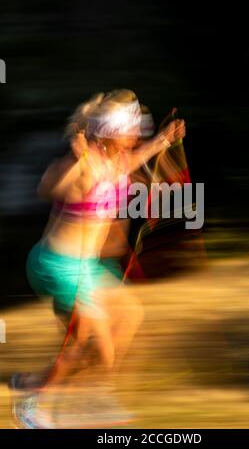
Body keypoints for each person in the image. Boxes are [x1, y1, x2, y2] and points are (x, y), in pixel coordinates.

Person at [12, 89, 185, 428]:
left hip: (85, 268)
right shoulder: (84, 163)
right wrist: (77, 163)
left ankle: (57, 389)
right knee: (88, 338)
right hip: (56, 264)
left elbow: (136, 159)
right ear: (111, 132)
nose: (138, 135)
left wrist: (163, 140)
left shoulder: (116, 161)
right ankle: (34, 405)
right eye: (132, 129)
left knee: (130, 317)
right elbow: (48, 189)